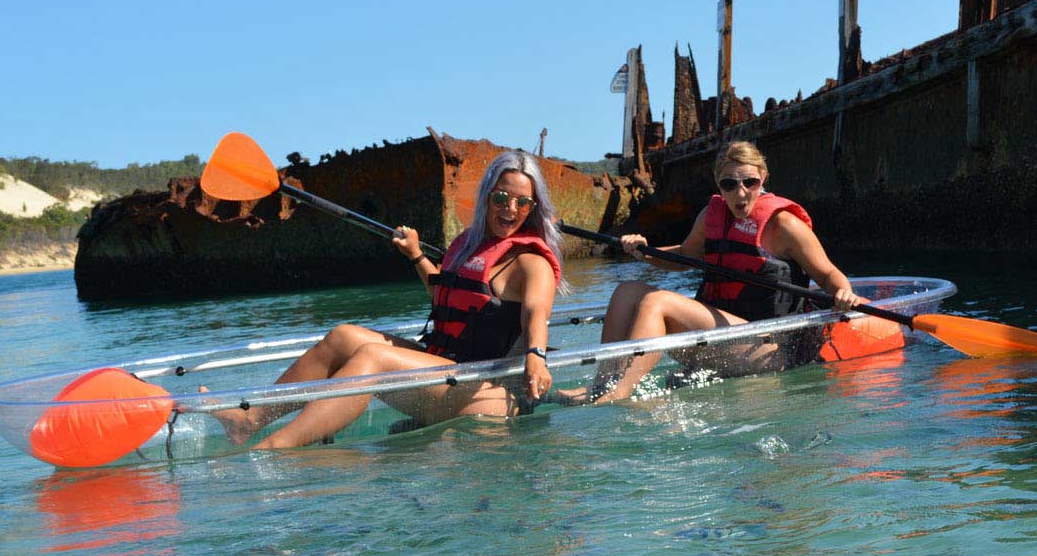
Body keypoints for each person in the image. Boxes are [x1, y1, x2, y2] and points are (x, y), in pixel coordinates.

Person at [222, 151, 564, 449]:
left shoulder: (531, 263)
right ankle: (248, 420)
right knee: (344, 336)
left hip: (483, 388)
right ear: (487, 197)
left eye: (523, 203)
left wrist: (536, 355)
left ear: (534, 208)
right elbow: (445, 292)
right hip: (443, 368)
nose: (511, 209)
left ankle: (274, 448)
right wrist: (416, 256)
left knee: (373, 357)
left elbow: (536, 313)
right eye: (501, 198)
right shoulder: (471, 245)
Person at [581, 140, 862, 402]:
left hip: (768, 347)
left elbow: (827, 275)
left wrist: (844, 293)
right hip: (720, 335)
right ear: (719, 184)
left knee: (657, 302)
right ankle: (602, 386)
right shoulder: (710, 216)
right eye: (729, 184)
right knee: (627, 291)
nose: (740, 193)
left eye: (749, 182)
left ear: (762, 178)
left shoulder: (785, 226)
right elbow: (684, 257)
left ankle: (621, 393)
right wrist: (645, 253)